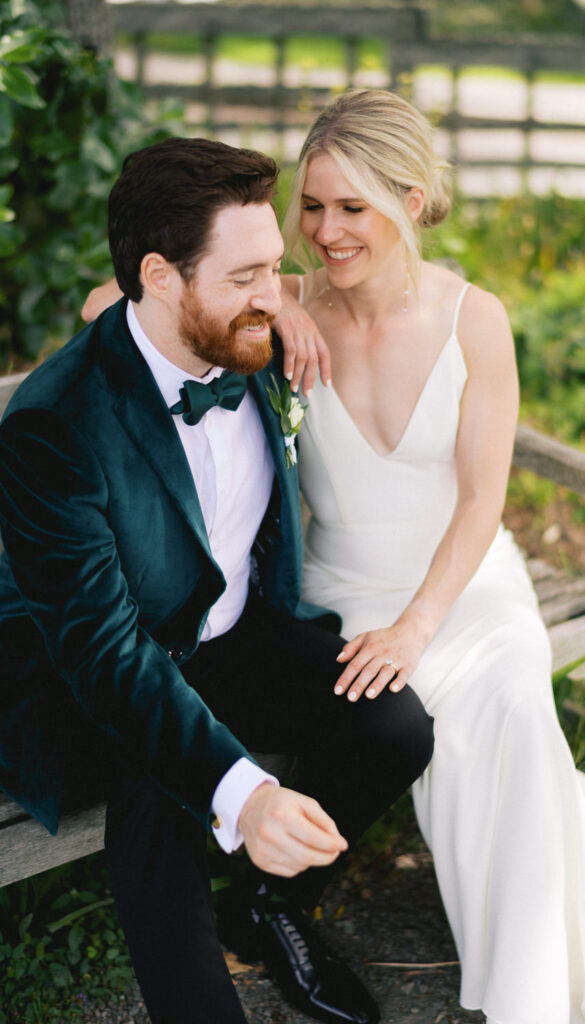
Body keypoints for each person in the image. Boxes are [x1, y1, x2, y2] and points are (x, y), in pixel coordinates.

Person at [0, 135, 435, 1024]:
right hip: (87, 669)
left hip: (227, 629)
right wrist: (248, 794)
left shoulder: (251, 339)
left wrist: (266, 301)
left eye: (274, 267)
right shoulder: (54, 424)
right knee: (164, 775)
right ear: (160, 278)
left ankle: (269, 907)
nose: (274, 295)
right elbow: (104, 655)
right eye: (246, 276)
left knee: (393, 725)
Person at [274, 90, 585, 1024]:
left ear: (411, 201)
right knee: (408, 714)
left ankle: (527, 989)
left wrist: (419, 625)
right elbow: (112, 303)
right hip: (342, 589)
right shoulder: (288, 303)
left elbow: (478, 500)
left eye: (352, 207)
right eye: (313, 205)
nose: (325, 231)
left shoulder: (473, 319)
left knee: (510, 703)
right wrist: (271, 304)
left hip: (464, 584)